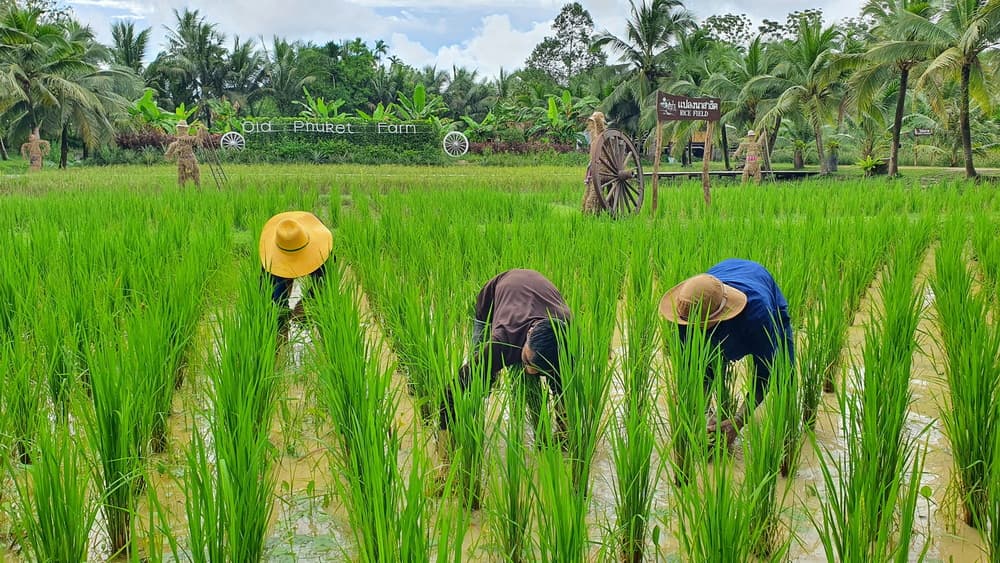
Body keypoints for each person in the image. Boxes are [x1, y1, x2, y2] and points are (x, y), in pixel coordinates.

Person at [438, 269, 572, 473]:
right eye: (527, 360)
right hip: (495, 296)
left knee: (559, 378)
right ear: (529, 333)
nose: (529, 371)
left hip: (539, 294)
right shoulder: (502, 341)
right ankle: (490, 383)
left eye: (537, 369)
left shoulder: (566, 336)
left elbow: (564, 392)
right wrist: (444, 461)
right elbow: (450, 392)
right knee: (480, 383)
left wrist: (562, 437)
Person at [659, 258, 794, 446]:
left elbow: (765, 374)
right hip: (723, 274)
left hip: (759, 284)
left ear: (720, 315)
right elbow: (693, 369)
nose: (693, 329)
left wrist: (739, 419)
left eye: (701, 326)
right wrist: (704, 413)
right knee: (709, 363)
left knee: (784, 374)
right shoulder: (685, 312)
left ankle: (788, 433)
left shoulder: (759, 315)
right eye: (691, 326)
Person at [259, 211, 333, 327]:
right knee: (276, 308)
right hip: (281, 253)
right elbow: (266, 297)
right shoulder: (271, 258)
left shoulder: (322, 250)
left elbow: (325, 283)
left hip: (310, 247)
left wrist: (306, 302)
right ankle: (281, 337)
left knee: (322, 300)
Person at [164, 120, 201, 187]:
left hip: (191, 159)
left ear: (186, 129)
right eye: (179, 128)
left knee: (196, 175)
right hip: (181, 160)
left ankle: (198, 190)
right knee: (181, 177)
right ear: (177, 129)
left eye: (182, 128)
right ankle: (181, 192)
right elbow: (171, 149)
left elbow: (197, 139)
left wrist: (199, 130)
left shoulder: (189, 139)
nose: (181, 130)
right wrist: (169, 154)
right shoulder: (177, 143)